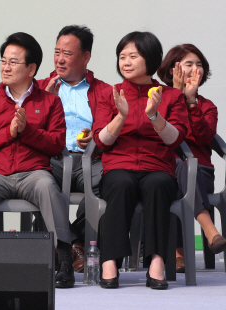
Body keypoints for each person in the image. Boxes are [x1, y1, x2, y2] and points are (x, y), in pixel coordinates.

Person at [0, 32, 75, 288]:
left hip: (32, 172)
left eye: (13, 62)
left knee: (47, 186)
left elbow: (57, 144)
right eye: (3, 61)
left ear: (32, 68)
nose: (6, 67)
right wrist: (8, 133)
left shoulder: (50, 102)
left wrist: (28, 131)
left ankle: (65, 259)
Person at [94, 31, 189, 290]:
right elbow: (101, 141)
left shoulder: (171, 96)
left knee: (158, 184)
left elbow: (175, 139)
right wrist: (121, 116)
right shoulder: (109, 94)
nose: (125, 62)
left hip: (157, 166)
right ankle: (110, 260)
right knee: (121, 184)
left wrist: (155, 116)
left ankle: (157, 261)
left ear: (151, 59)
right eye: (122, 56)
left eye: (133, 56)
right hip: (118, 166)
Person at [37, 25, 110, 273]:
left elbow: (109, 129)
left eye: (67, 53)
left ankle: (73, 238)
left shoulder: (103, 91)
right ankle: (72, 246)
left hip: (89, 161)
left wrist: (95, 138)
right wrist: (42, 101)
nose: (59, 59)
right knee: (37, 182)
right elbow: (28, 130)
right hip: (53, 159)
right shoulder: (38, 88)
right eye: (57, 52)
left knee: (111, 182)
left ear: (86, 57)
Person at [157, 44, 226, 272]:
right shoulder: (157, 98)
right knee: (175, 166)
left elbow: (204, 136)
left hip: (200, 173)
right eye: (189, 64)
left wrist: (191, 103)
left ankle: (180, 252)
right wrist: (175, 97)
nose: (195, 69)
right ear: (172, 69)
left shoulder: (207, 106)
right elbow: (164, 135)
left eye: (199, 65)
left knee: (184, 167)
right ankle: (208, 230)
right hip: (161, 169)